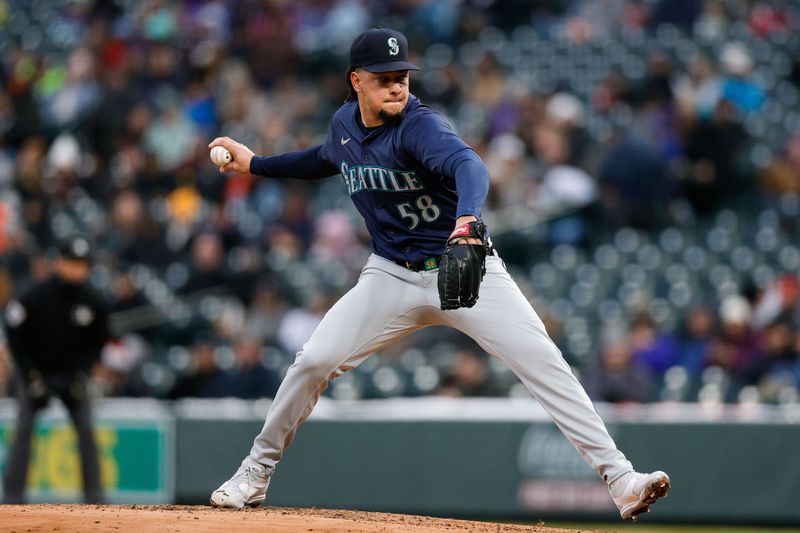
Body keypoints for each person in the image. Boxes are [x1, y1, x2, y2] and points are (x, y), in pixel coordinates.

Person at [207, 27, 670, 520]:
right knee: (312, 361)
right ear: (356, 80)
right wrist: (256, 164)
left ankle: (621, 479)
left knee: (545, 364)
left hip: (466, 269)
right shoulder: (344, 124)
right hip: (390, 276)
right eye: (384, 78)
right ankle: (254, 473)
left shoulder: (420, 126)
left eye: (402, 76)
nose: (397, 86)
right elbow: (323, 159)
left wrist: (468, 218)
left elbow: (469, 165)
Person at [2, 236, 110, 503]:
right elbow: (14, 333)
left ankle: (94, 497)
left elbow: (98, 342)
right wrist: (29, 374)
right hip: (35, 373)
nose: (77, 269)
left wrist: (82, 372)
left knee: (85, 429)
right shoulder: (33, 295)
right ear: (59, 262)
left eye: (82, 264)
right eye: (72, 262)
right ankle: (13, 496)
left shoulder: (94, 301)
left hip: (72, 374)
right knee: (24, 427)